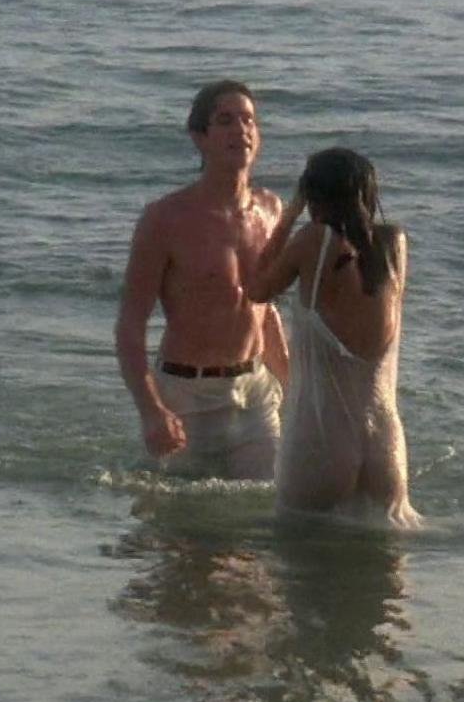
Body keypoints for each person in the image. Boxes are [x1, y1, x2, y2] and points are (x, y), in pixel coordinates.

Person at [116, 80, 295, 480]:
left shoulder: (271, 210)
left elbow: (263, 310)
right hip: (185, 397)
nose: (241, 130)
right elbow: (130, 324)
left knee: (271, 507)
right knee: (174, 517)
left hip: (253, 393)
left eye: (248, 120)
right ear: (199, 137)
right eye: (226, 120)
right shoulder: (165, 219)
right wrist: (151, 410)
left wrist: (293, 388)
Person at [245, 147, 422, 528]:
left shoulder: (315, 241)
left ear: (313, 195)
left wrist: (289, 215)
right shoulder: (393, 246)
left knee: (299, 558)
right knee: (387, 560)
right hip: (386, 447)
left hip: (321, 443)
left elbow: (256, 288)